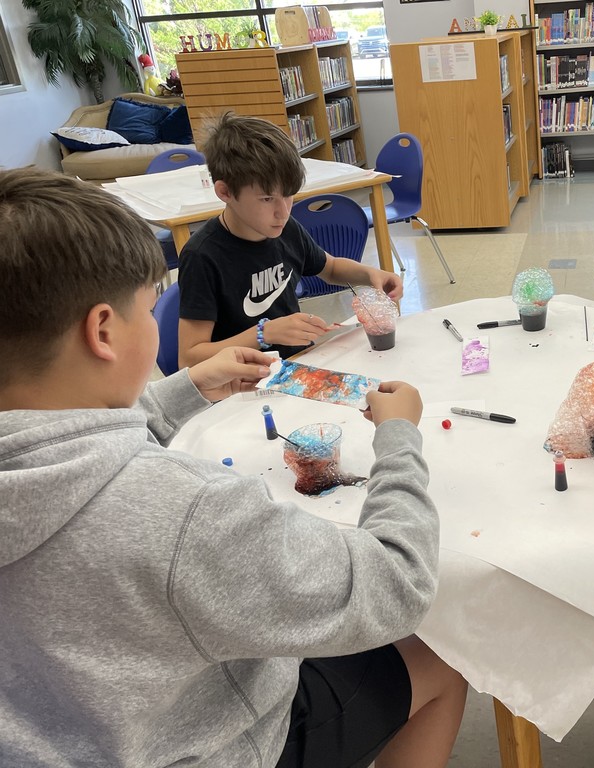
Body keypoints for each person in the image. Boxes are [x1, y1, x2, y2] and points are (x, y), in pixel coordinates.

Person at [0, 168, 467, 767]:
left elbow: (65, 436)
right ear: (103, 331)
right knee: (442, 655)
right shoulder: (184, 513)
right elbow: (397, 584)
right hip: (216, 746)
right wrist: (399, 437)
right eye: (149, 311)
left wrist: (191, 383)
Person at [177, 112, 402, 367]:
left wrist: (371, 275)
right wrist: (263, 334)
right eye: (266, 199)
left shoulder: (285, 228)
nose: (283, 212)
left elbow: (329, 268)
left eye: (288, 196)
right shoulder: (202, 257)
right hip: (244, 383)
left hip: (298, 364)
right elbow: (189, 358)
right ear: (225, 192)